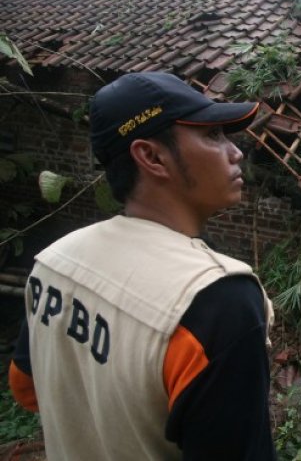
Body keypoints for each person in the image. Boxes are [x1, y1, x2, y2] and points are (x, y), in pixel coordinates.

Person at [8, 72, 277, 460]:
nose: (235, 152)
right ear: (151, 156)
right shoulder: (217, 300)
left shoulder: (54, 260)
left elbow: (25, 388)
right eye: (212, 136)